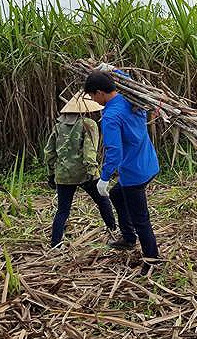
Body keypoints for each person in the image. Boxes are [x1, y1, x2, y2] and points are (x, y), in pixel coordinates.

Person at [83, 70, 161, 267]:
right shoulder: (132, 96)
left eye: (92, 95)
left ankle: (152, 260)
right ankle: (128, 237)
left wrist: (104, 177)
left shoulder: (110, 115)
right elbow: (128, 78)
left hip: (134, 174)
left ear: (100, 92)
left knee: (141, 220)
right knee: (117, 195)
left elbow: (114, 151)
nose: (94, 100)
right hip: (149, 163)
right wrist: (111, 69)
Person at [45, 92, 116, 248]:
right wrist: (92, 171)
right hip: (85, 173)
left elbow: (49, 152)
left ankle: (55, 243)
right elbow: (90, 150)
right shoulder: (88, 124)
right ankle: (113, 230)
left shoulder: (58, 126)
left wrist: (51, 174)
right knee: (103, 201)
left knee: (63, 210)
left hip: (63, 175)